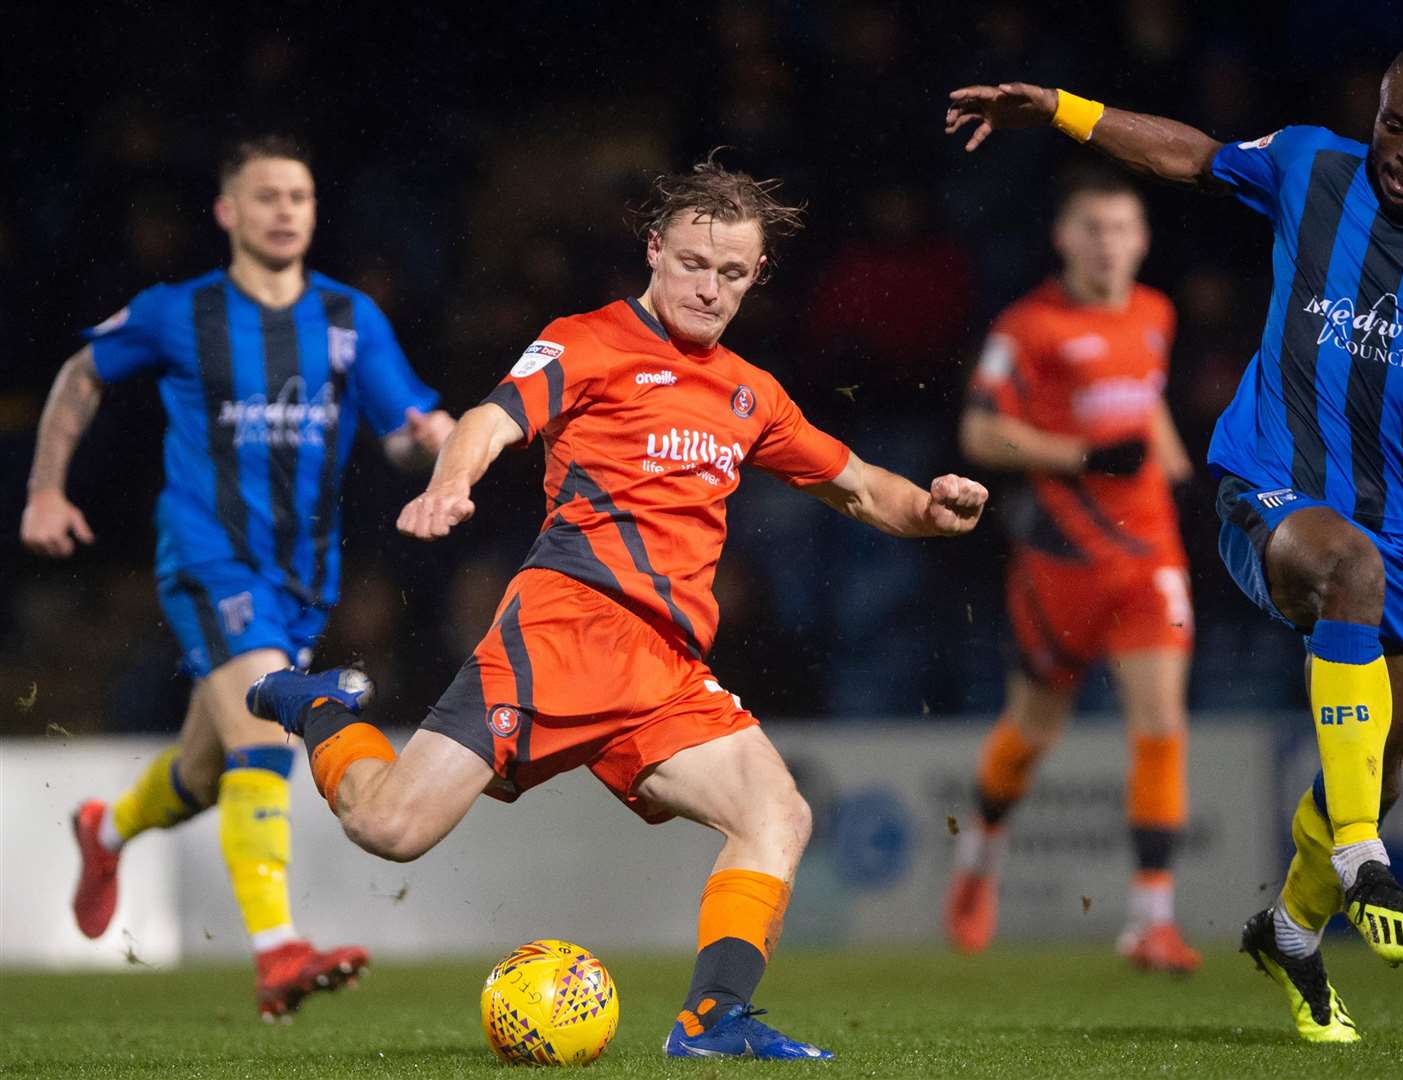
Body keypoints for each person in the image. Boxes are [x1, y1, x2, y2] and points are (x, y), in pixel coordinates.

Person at [946, 34, 1403, 1042]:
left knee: (1385, 761)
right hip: (1264, 491)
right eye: (1393, 124)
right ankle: (1360, 857)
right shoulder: (1312, 163)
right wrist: (1062, 106)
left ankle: (1293, 930)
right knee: (1343, 584)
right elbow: (1191, 155)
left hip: (1393, 525)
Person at [245, 156, 990, 1060]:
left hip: (666, 665)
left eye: (730, 274)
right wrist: (450, 483)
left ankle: (711, 1021)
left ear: (756, 278)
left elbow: (863, 488)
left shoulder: (751, 391)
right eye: (692, 264)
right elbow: (490, 419)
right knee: (389, 829)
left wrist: (934, 509)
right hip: (564, 626)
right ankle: (317, 706)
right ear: (653, 251)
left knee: (777, 814)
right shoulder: (587, 340)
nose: (708, 289)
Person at [21, 135, 455, 1019]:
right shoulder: (177, 312)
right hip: (206, 559)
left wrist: (434, 444)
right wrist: (43, 489)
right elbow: (79, 376)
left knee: (201, 770)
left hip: (300, 580)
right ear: (227, 212)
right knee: (265, 736)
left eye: (299, 195)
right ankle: (277, 953)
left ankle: (103, 828)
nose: (286, 210)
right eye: (266, 197)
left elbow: (400, 425)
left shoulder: (347, 318)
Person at [945, 168, 1200, 973]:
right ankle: (980, 855)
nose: (1108, 243)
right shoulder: (1027, 327)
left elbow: (1144, 397)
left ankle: (1150, 921)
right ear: (1063, 238)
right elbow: (982, 435)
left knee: (1159, 725)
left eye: (1122, 228)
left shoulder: (1157, 313)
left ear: (1144, 239)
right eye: (1092, 228)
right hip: (1061, 559)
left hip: (1149, 555)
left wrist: (1178, 467)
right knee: (1033, 731)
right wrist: (1082, 456)